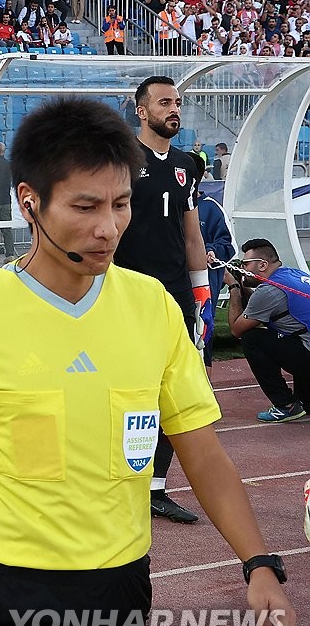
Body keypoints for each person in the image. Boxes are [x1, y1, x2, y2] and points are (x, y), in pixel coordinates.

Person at [0, 98, 296, 626]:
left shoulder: (151, 306)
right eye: (85, 206)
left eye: (121, 203)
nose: (108, 227)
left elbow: (203, 453)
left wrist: (258, 564)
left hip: (124, 586)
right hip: (14, 593)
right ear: (31, 202)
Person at [115, 76, 210, 525]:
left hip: (174, 292)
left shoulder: (188, 164)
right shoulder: (119, 159)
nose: (174, 109)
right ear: (141, 109)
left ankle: (156, 487)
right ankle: (114, 483)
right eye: (165, 102)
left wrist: (202, 292)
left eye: (178, 102)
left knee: (173, 387)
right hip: (127, 291)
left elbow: (192, 232)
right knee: (124, 386)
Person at [225, 239, 310, 423]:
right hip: (304, 343)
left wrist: (233, 288)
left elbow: (236, 329)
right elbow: (260, 304)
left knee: (251, 338)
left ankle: (285, 405)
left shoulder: (269, 291)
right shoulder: (292, 274)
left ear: (262, 265)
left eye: (245, 264)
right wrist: (243, 284)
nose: (242, 267)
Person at [197, 190, 234, 375]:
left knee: (202, 340)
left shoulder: (210, 206)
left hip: (203, 287)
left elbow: (228, 245)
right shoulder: (168, 202)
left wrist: (212, 251)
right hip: (172, 282)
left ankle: (206, 396)